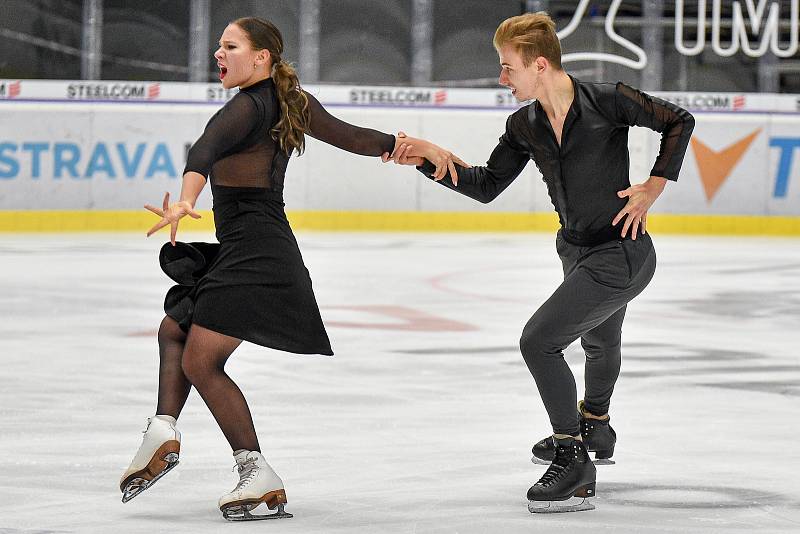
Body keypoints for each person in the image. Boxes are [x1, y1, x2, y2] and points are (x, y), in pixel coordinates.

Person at [120, 17, 463, 521]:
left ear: (261, 57)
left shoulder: (245, 107)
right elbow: (355, 138)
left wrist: (187, 199)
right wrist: (419, 146)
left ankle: (255, 472)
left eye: (230, 46)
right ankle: (163, 431)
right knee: (175, 330)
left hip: (257, 252)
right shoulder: (289, 101)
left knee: (200, 360)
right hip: (253, 245)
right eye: (218, 46)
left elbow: (204, 150)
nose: (219, 53)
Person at [387, 12, 694, 513]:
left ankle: (573, 459)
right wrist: (429, 157)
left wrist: (653, 187)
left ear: (540, 65)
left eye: (508, 67)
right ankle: (595, 426)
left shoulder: (608, 100)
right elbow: (485, 185)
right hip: (575, 250)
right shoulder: (525, 125)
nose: (501, 76)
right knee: (599, 338)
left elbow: (678, 120)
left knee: (540, 341)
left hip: (622, 251)